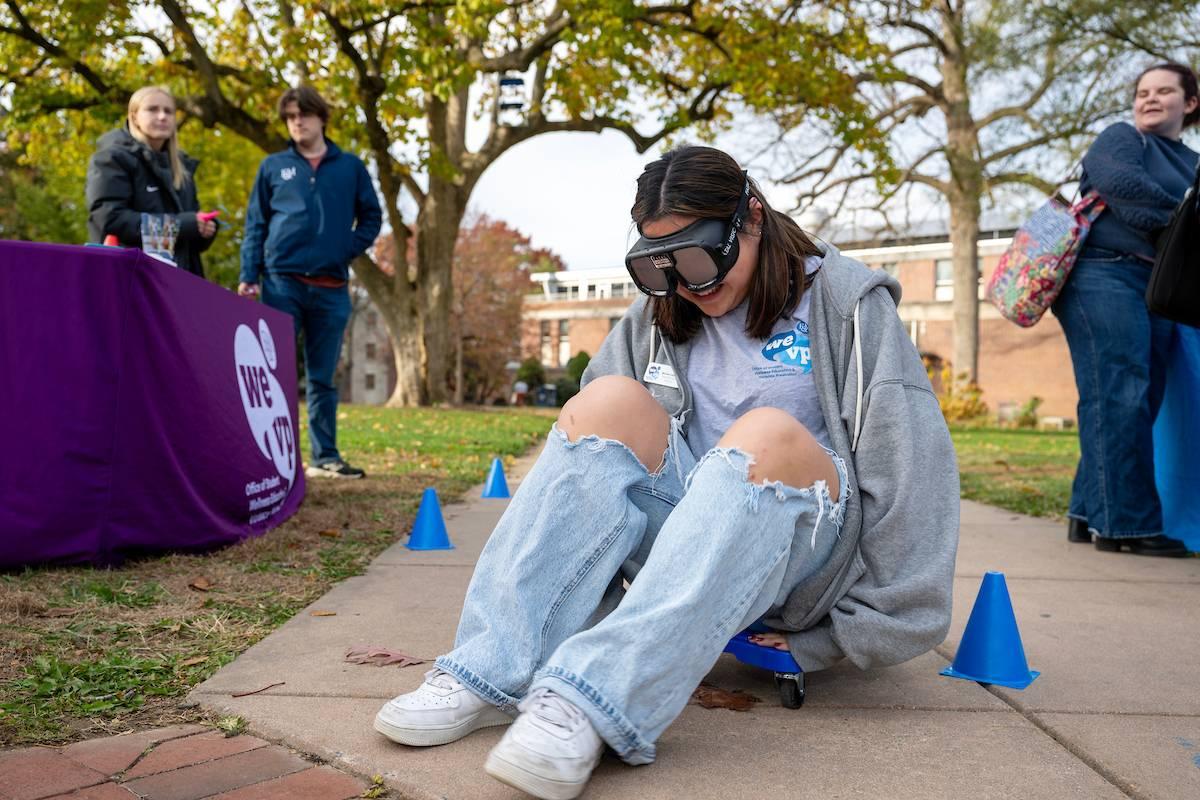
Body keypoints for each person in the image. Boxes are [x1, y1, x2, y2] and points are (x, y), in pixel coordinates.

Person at [373, 145, 959, 799]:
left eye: (702, 258)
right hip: (690, 540)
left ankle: (589, 702)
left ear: (753, 219)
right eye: (664, 267)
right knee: (604, 402)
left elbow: (913, 472)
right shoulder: (661, 313)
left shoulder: (846, 303)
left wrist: (843, 635)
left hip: (802, 549)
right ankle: (490, 669)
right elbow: (580, 479)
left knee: (763, 433)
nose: (691, 285)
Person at [1053, 63, 1199, 557]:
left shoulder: (1193, 163)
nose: (1150, 99)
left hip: (1157, 286)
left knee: (1139, 398)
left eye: (1164, 91)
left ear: (1191, 103)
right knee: (1119, 394)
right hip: (1100, 274)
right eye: (1142, 92)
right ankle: (1126, 527)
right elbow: (1130, 195)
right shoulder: (1118, 139)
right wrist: (1184, 213)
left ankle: (1088, 511)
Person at [238, 86, 382, 480]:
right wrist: (249, 275)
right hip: (281, 284)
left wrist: (343, 249)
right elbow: (256, 225)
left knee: (322, 377)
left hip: (332, 288)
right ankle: (274, 461)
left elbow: (371, 217)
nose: (297, 122)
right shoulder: (272, 167)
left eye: (303, 114)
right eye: (289, 116)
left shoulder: (350, 167)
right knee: (276, 375)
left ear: (321, 117)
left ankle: (325, 457)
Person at [86, 86, 217, 277]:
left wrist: (204, 230)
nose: (162, 116)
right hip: (127, 279)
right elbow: (110, 219)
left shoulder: (182, 168)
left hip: (178, 282)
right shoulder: (111, 159)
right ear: (134, 116)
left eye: (168, 111)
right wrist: (183, 225)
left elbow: (186, 237)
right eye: (152, 109)